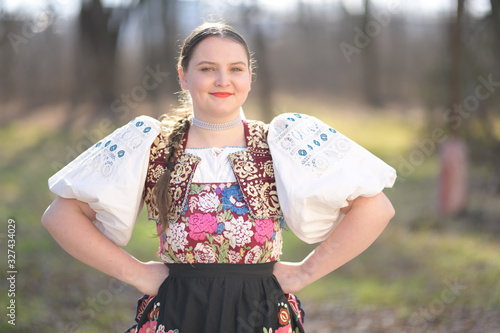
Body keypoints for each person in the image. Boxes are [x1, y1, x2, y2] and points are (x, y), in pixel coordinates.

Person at [42, 22, 396, 333]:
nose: (223, 80)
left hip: (261, 313)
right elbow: (60, 216)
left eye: (236, 69)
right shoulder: (152, 148)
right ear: (183, 76)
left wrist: (305, 272)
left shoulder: (282, 144)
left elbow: (375, 207)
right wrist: (137, 273)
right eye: (208, 68)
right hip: (179, 310)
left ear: (249, 77)